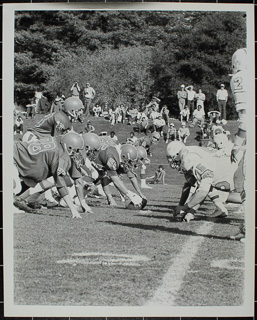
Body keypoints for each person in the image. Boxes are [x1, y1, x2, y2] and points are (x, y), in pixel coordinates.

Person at [166, 140, 244, 223]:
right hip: (227, 167)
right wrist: (181, 206)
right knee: (221, 194)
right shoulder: (188, 153)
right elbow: (190, 185)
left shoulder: (189, 160)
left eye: (172, 158)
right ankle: (221, 209)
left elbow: (203, 192)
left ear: (177, 154)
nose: (172, 162)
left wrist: (186, 208)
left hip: (234, 168)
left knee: (243, 195)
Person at [13, 132, 85, 218]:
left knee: (30, 182)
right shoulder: (59, 156)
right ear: (69, 147)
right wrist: (73, 209)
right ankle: (8, 207)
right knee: (16, 187)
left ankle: (15, 201)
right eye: (76, 150)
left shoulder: (58, 141)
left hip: (17, 150)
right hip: (13, 154)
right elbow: (60, 185)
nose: (77, 153)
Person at [83, 133, 147, 208]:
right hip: (87, 158)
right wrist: (130, 195)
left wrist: (111, 199)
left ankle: (80, 196)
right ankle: (76, 195)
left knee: (100, 176)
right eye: (129, 161)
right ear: (124, 156)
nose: (130, 164)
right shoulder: (112, 157)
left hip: (95, 161)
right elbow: (116, 180)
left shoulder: (116, 153)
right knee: (93, 176)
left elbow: (105, 177)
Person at [229, 48, 247, 241]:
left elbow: (246, 117)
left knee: (248, 183)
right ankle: (246, 227)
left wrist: (237, 144)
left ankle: (249, 230)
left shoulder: (240, 78)